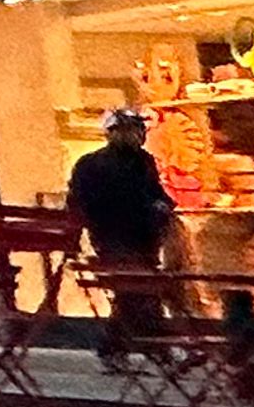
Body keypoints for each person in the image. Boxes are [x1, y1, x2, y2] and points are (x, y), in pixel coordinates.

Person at [67, 109, 176, 369]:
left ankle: (117, 350)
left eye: (139, 130)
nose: (137, 135)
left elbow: (155, 193)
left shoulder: (144, 161)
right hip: (113, 237)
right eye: (130, 130)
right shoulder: (92, 165)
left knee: (132, 294)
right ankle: (160, 351)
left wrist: (163, 206)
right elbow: (79, 203)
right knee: (139, 292)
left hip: (144, 238)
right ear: (112, 133)